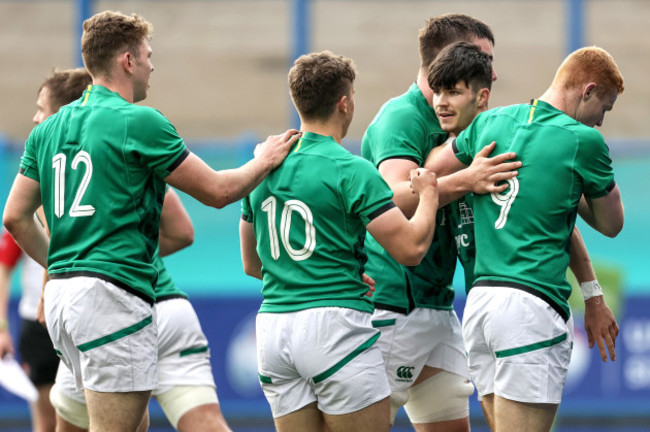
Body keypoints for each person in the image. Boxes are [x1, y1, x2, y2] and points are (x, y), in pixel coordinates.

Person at [2, 10, 299, 432]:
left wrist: (62, 263)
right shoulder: (139, 122)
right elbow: (217, 192)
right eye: (147, 55)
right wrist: (263, 160)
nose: (151, 65)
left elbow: (14, 216)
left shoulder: (47, 131)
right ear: (127, 60)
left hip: (62, 301)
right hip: (112, 296)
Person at [239, 50, 439, 432]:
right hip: (334, 329)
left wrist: (317, 273)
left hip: (272, 332)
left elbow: (252, 264)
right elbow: (411, 250)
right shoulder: (350, 169)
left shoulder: (262, 166)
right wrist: (429, 194)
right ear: (344, 103)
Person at [427, 45, 624, 432]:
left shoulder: (488, 124)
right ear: (587, 90)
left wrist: (470, 177)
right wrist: (572, 186)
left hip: (480, 306)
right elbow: (611, 223)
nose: (600, 120)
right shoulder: (583, 141)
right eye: (605, 106)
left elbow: (432, 167)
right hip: (531, 309)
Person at [360, 14, 519, 431]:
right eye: (483, 57)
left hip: (436, 303)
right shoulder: (402, 116)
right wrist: (468, 179)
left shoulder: (463, 119)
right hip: (394, 302)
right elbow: (392, 198)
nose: (495, 72)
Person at [50, 188, 233, 432]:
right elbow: (182, 233)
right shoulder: (140, 155)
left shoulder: (55, 159)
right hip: (170, 308)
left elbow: (26, 225)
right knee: (207, 423)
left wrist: (45, 292)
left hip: (107, 313)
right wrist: (138, 255)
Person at [0, 67, 92, 432]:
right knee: (50, 419)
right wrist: (2, 326)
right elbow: (5, 260)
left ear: (64, 114)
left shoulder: (92, 171)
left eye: (42, 109)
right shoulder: (34, 180)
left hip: (84, 310)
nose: (35, 118)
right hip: (39, 321)